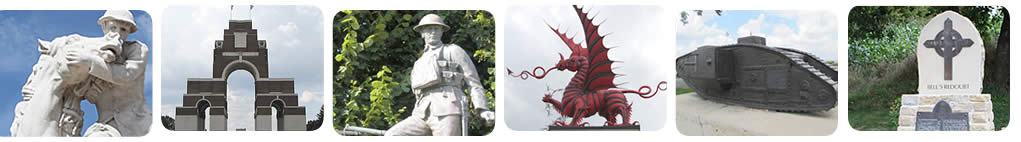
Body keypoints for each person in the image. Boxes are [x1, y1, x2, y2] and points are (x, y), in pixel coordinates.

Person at [384, 14, 495, 136]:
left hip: (448, 108)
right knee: (392, 135)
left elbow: (473, 82)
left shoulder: (453, 51)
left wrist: (483, 109)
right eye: (429, 29)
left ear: (442, 31)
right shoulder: (419, 62)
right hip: (422, 112)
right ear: (422, 33)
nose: (433, 32)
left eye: (436, 29)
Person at [66, 10, 151, 137]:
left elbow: (126, 74)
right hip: (106, 126)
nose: (118, 33)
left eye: (123, 29)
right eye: (113, 27)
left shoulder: (137, 49)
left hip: (137, 124)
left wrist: (90, 62)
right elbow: (76, 90)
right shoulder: (93, 51)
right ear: (104, 26)